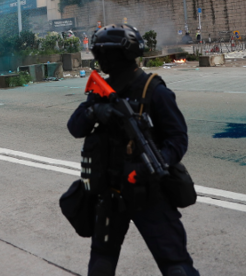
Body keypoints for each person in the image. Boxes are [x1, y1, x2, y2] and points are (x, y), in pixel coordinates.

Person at [67, 25, 199, 276]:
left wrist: (154, 163)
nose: (100, 59)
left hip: (149, 192)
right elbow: (74, 127)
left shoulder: (154, 90)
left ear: (119, 56)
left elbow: (178, 139)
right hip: (111, 193)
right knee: (101, 265)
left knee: (176, 266)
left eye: (103, 54)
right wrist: (95, 112)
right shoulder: (101, 91)